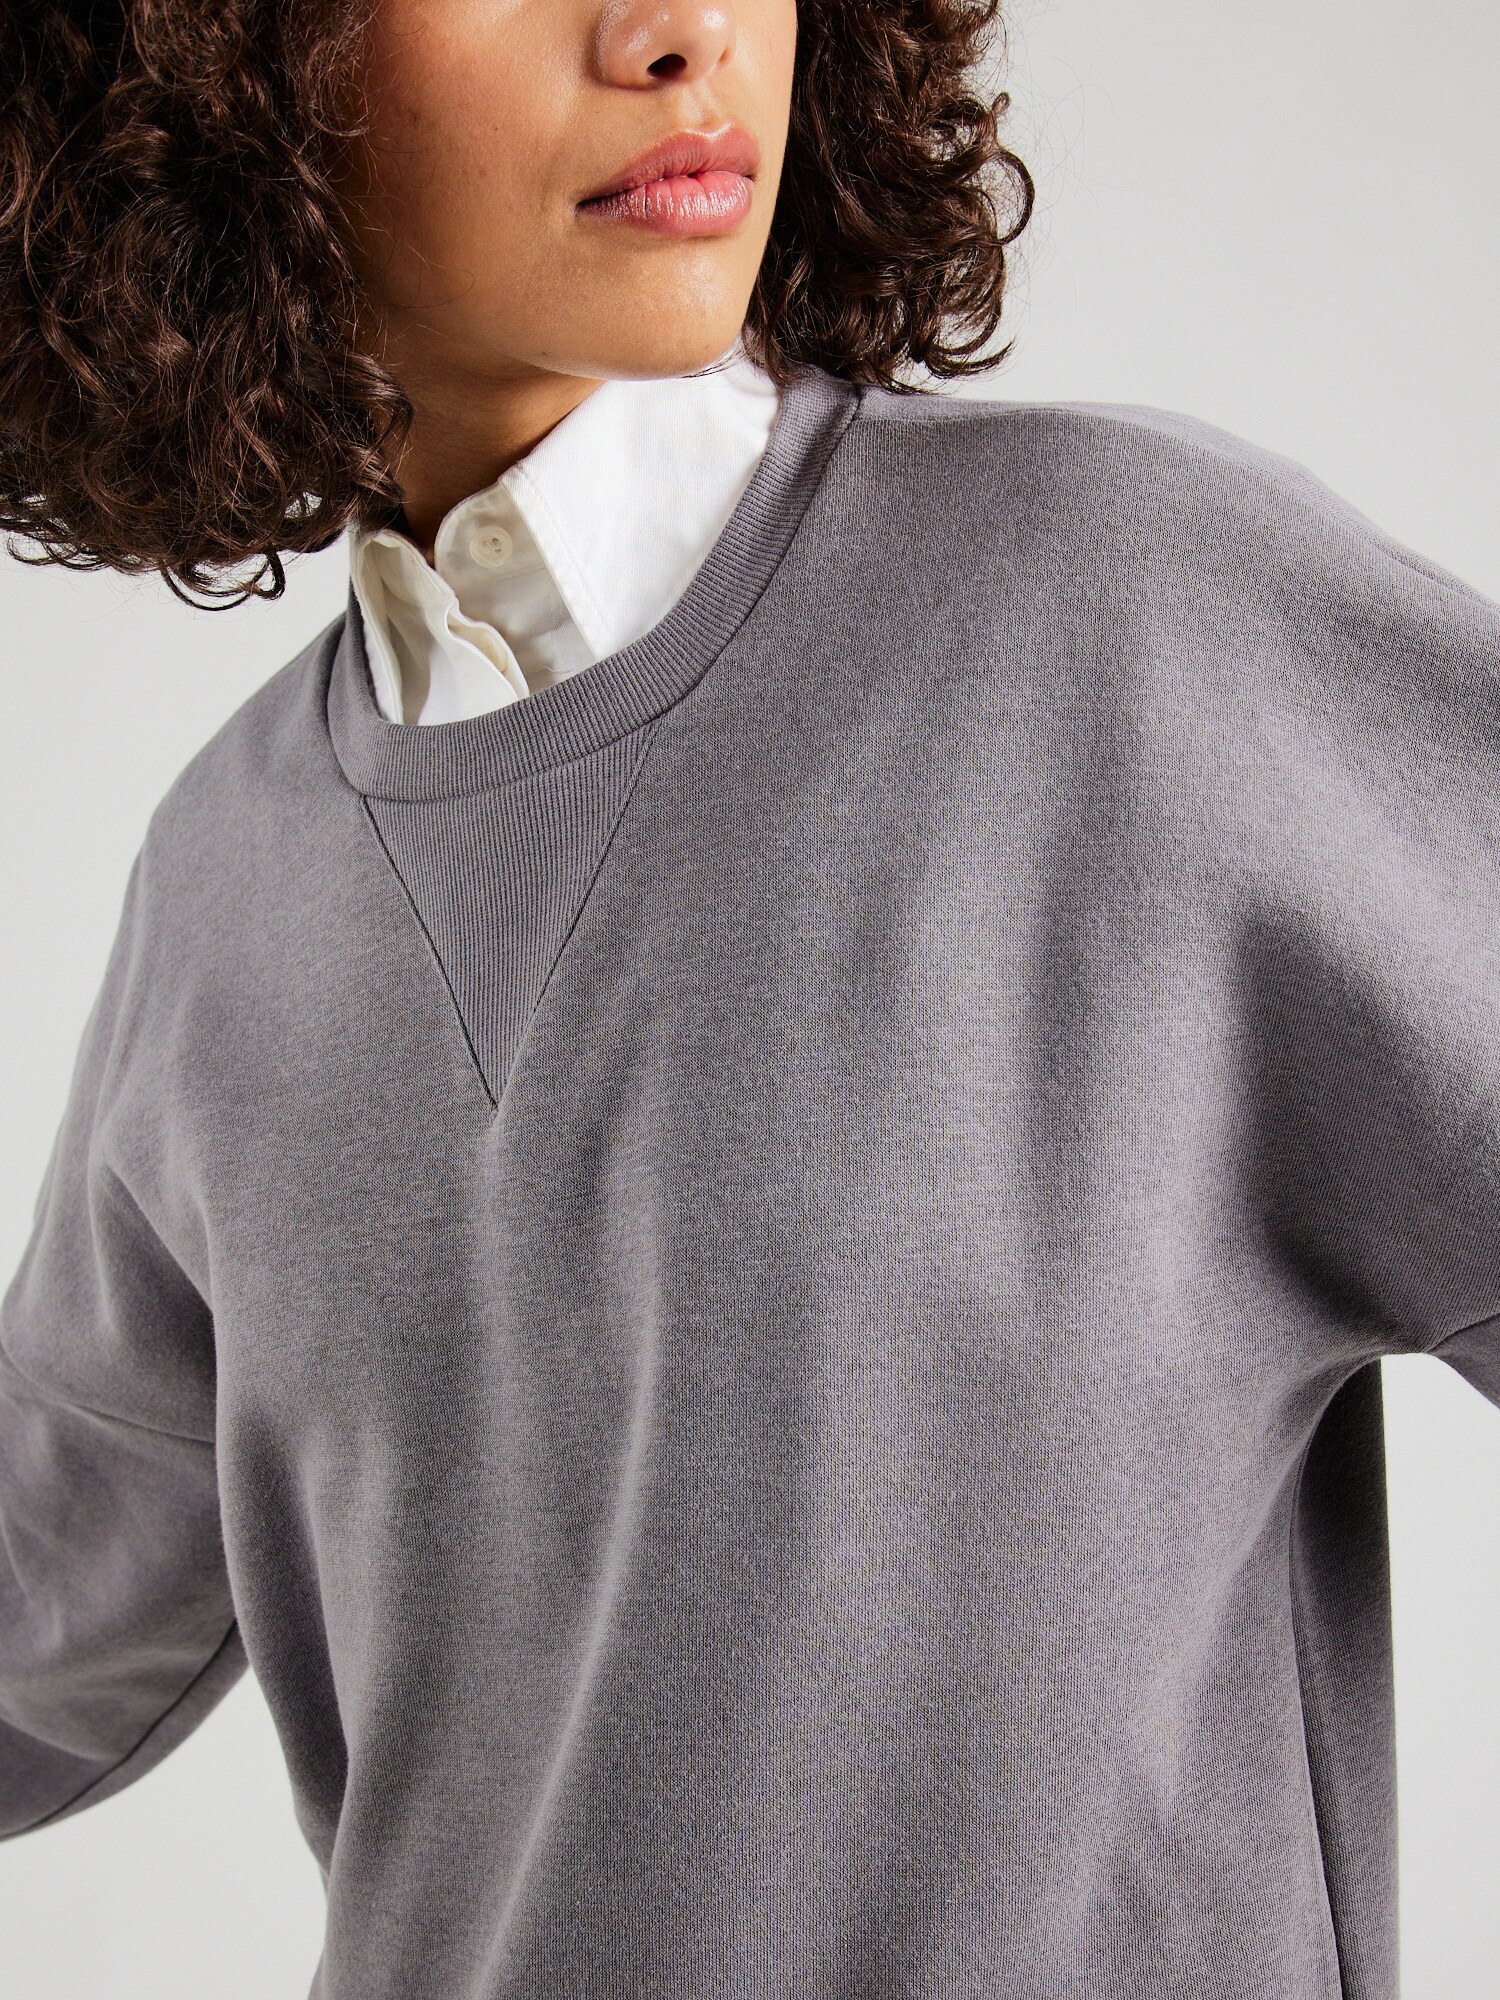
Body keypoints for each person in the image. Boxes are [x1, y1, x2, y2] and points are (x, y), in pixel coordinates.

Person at [0, 3, 1496, 1996]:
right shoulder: (227, 884)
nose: (681, 29)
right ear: (198, 67)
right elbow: (38, 1626)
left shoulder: (1136, 624)